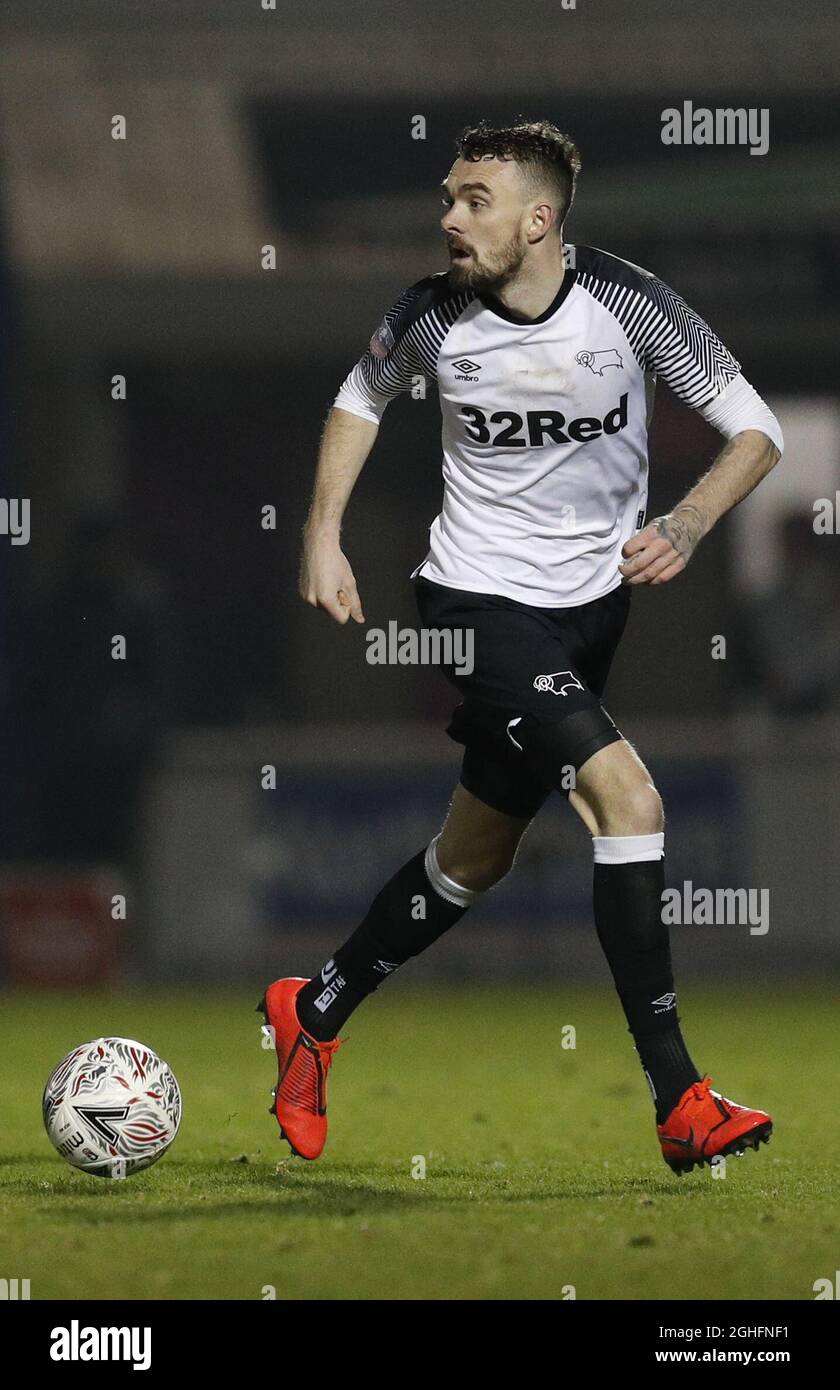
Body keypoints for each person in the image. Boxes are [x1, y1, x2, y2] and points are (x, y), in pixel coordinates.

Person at [260, 119, 783, 1175]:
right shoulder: (431, 316)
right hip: (475, 604)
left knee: (474, 857)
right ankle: (681, 1098)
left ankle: (313, 1009)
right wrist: (323, 533)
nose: (450, 219)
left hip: (589, 615)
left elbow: (757, 429)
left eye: (475, 201)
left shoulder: (630, 302)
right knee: (627, 799)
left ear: (540, 220)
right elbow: (357, 399)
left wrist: (685, 523)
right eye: (448, 197)